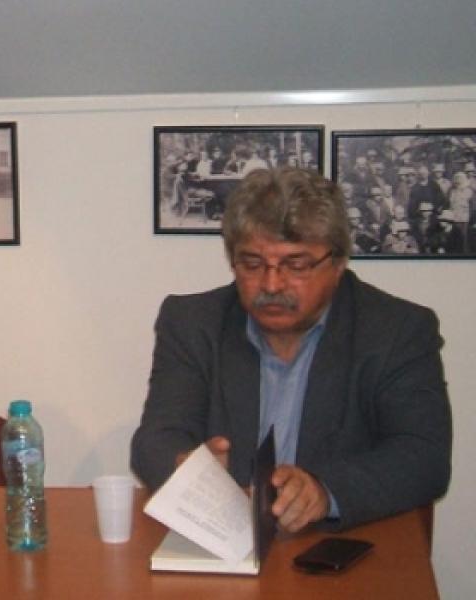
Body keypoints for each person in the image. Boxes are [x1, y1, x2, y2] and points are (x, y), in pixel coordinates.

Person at [130, 168, 451, 532]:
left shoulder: (397, 331)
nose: (271, 284)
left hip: (342, 546)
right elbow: (155, 440)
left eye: (295, 265)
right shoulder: (193, 324)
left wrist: (324, 491)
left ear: (338, 263)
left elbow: (424, 457)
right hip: (225, 546)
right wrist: (187, 469)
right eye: (253, 264)